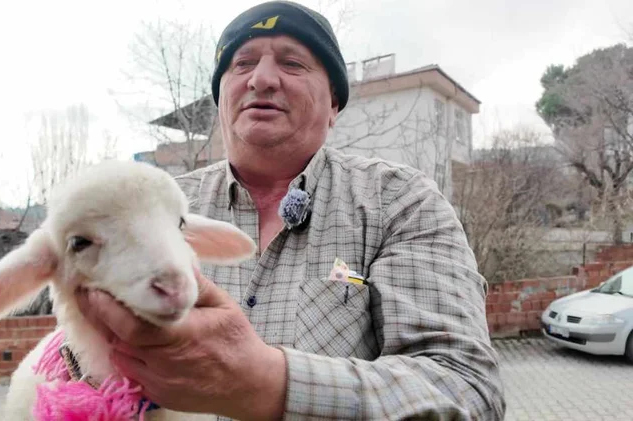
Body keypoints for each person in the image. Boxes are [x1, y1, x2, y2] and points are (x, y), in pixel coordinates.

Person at [76, 1, 506, 419]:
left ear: (334, 104)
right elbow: (79, 356)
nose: (261, 79)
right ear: (220, 97)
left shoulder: (399, 202)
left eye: (292, 63)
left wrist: (266, 384)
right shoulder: (154, 207)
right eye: (242, 63)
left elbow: (466, 389)